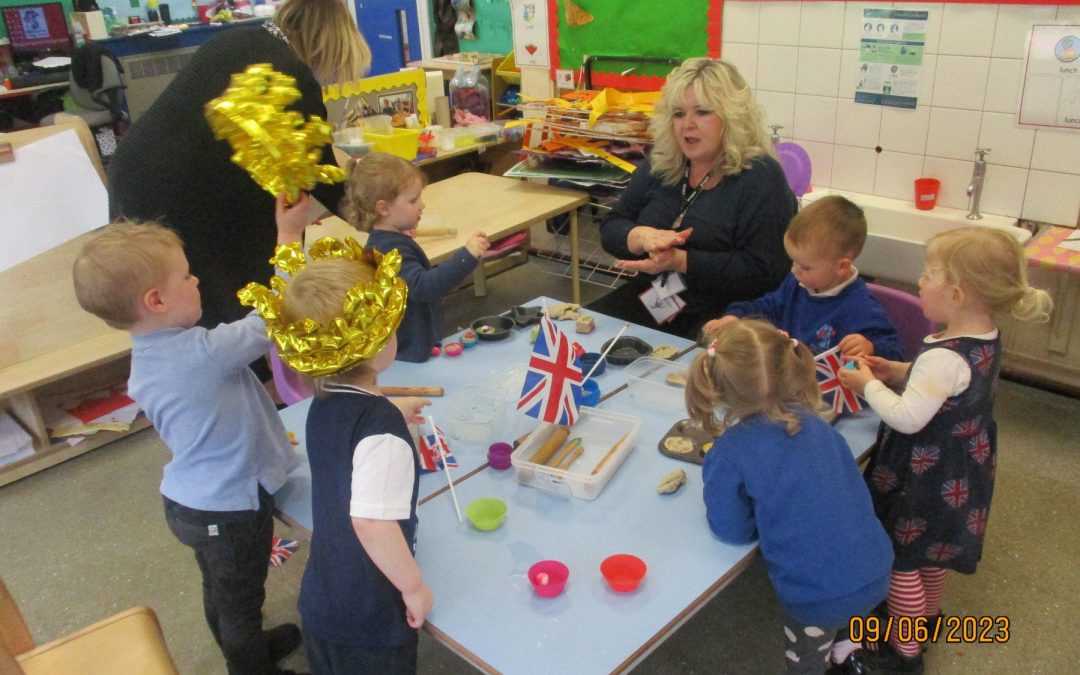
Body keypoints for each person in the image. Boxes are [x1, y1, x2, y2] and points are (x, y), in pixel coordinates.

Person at [71, 194, 313, 675]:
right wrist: (288, 235)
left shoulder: (149, 357)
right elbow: (279, 313)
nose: (196, 280)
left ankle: (245, 650)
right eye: (186, 275)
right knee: (242, 601)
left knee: (220, 592)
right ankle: (250, 668)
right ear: (156, 300)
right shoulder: (203, 353)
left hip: (191, 503)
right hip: (229, 510)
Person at [838, 227, 1053, 672]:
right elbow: (942, 384)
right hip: (961, 468)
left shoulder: (943, 357)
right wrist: (896, 370)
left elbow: (907, 417)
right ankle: (927, 618)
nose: (920, 281)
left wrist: (868, 384)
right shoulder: (982, 336)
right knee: (932, 552)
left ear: (956, 294)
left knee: (900, 560)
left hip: (922, 475)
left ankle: (903, 651)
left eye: (929, 274)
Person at [108, 0, 371, 337]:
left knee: (163, 304)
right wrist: (377, 216)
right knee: (231, 296)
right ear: (326, 49)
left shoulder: (240, 39)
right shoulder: (291, 72)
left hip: (135, 173)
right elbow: (320, 174)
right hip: (177, 195)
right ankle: (250, 359)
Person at [258, 239, 432, 674]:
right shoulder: (381, 433)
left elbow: (349, 434)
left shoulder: (323, 400)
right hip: (370, 620)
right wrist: (413, 587)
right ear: (373, 343)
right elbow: (372, 523)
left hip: (324, 600)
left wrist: (391, 409)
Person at [689, 319, 893, 674]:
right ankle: (851, 653)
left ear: (718, 389)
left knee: (807, 663)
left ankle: (836, 655)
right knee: (849, 617)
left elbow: (731, 530)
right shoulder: (818, 425)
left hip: (817, 595)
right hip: (876, 568)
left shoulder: (729, 451)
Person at [590, 58, 796, 340]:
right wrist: (640, 237)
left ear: (732, 117)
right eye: (678, 114)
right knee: (580, 334)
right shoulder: (662, 163)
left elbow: (768, 272)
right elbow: (611, 227)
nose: (687, 125)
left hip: (729, 313)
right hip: (658, 299)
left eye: (702, 112)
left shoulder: (761, 177)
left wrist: (682, 261)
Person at [702, 195, 903, 361]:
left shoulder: (860, 307)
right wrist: (735, 317)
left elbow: (895, 355)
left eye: (805, 267)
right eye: (793, 262)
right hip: (788, 382)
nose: (794, 270)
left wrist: (871, 347)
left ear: (841, 267)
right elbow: (765, 308)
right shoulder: (798, 283)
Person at [348, 152, 490, 362]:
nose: (422, 205)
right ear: (384, 208)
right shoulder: (390, 251)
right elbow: (425, 287)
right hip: (408, 355)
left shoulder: (389, 240)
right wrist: (465, 257)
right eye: (413, 200)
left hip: (415, 346)